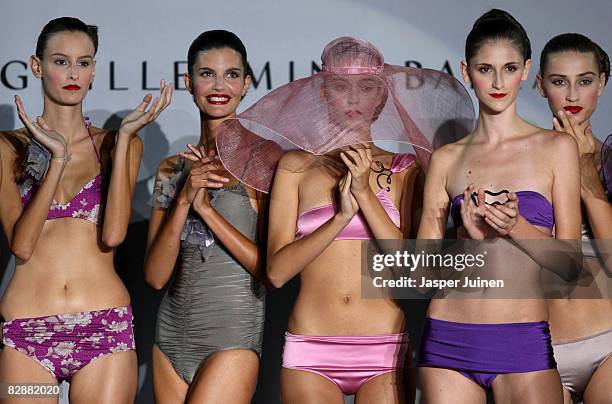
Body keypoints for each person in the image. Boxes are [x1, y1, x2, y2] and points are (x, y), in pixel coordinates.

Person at [215, 36, 473, 403]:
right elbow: (276, 273)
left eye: (366, 86)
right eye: (340, 86)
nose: (353, 97)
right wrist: (340, 217)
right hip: (310, 348)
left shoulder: (405, 171)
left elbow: (413, 274)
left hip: (385, 348)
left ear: (381, 97)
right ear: (322, 94)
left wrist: (366, 194)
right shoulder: (296, 168)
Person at [0, 17, 171, 403]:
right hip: (28, 334)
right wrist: (57, 158)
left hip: (104, 330)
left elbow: (112, 235)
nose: (73, 73)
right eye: (61, 62)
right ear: (36, 65)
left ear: (94, 69)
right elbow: (22, 245)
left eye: (84, 62)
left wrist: (126, 138)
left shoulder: (115, 144)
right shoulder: (7, 147)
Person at [416, 9, 582, 403]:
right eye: (484, 69)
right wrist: (465, 238)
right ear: (465, 70)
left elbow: (572, 267)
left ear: (526, 70)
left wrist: (515, 226)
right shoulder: (446, 159)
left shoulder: (557, 148)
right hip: (447, 341)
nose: (497, 82)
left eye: (508, 68)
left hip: (522, 339)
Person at [144, 30, 266, 404]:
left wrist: (207, 211)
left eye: (231, 75)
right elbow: (155, 276)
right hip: (170, 337)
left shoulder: (264, 164)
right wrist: (183, 201)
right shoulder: (171, 170)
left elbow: (271, 269)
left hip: (232, 337)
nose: (218, 86)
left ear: (246, 84)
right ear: (189, 82)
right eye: (206, 73)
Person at [536, 32, 612, 404]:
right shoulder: (518, 156)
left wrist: (585, 169)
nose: (571, 96)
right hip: (539, 353)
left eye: (584, 81)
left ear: (601, 83)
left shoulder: (609, 160)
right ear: (539, 85)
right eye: (558, 82)